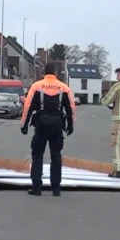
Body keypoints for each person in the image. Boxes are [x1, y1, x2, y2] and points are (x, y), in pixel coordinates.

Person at [21, 62, 75, 197]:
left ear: (43, 73)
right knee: (56, 155)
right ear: (56, 74)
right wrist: (70, 124)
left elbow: (28, 107)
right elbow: (70, 108)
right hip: (57, 125)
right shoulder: (64, 88)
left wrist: (24, 125)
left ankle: (36, 188)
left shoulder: (37, 86)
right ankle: (56, 188)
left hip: (41, 124)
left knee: (37, 155)